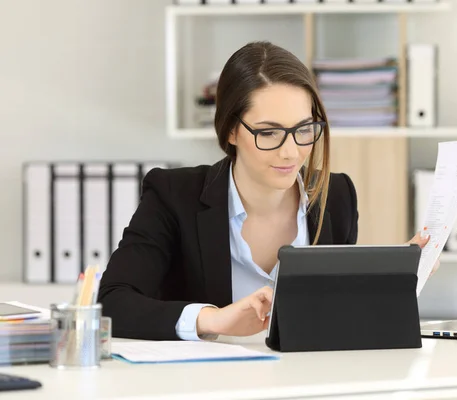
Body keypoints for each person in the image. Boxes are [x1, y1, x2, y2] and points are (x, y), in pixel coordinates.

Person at [98, 41, 438, 341]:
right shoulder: (174, 194)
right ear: (231, 130)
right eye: (269, 133)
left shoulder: (336, 195)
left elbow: (336, 314)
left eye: (304, 129)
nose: (291, 152)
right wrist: (213, 318)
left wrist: (391, 278)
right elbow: (112, 301)